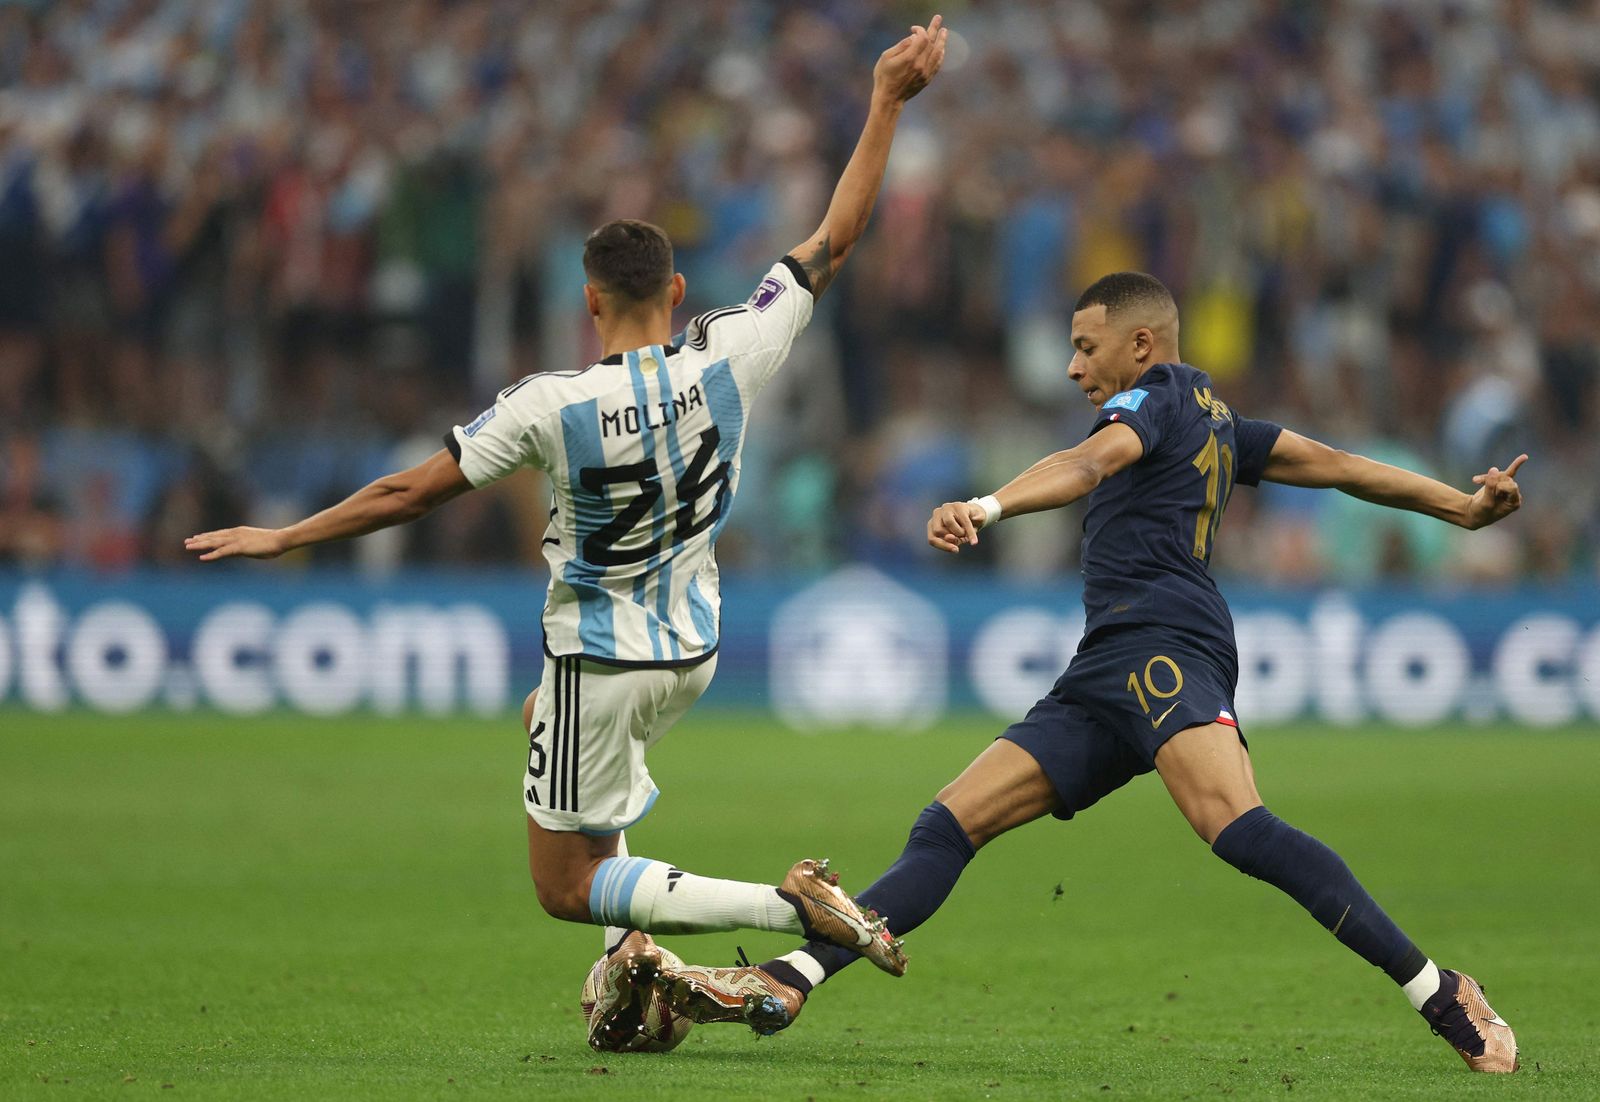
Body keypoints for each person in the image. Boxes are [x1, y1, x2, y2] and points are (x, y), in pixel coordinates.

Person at [184, 14, 951, 1052]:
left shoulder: (545, 404)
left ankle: (792, 906)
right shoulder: (732, 349)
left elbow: (412, 492)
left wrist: (286, 535)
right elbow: (834, 239)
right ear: (674, 292)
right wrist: (885, 101)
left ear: (589, 302)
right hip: (694, 646)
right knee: (594, 811)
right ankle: (631, 971)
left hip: (598, 651)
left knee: (563, 882)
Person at [658, 271, 1525, 1075]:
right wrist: (1459, 504)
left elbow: (1085, 466)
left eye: (1086, 346)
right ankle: (792, 976)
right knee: (949, 825)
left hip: (1164, 645)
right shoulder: (1216, 421)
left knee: (1238, 827)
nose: (1074, 368)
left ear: (1141, 345)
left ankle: (1442, 992)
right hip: (1106, 663)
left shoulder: (1155, 401)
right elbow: (1337, 466)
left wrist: (986, 504)